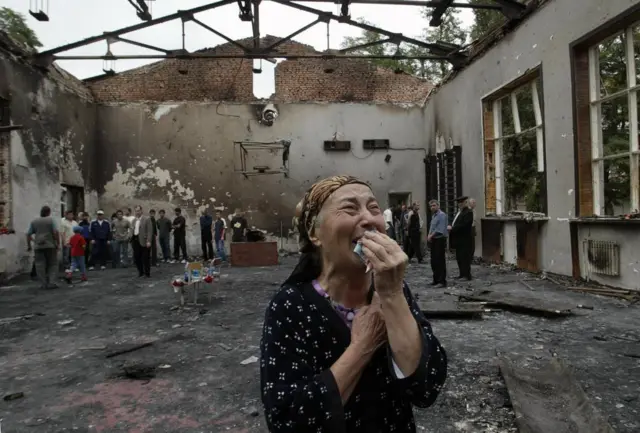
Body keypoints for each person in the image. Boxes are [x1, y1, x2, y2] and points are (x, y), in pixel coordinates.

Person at [260, 175, 447, 433]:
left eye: (373, 208)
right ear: (315, 233)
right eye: (350, 208)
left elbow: (426, 389)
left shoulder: (393, 287)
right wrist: (362, 346)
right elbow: (287, 420)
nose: (369, 219)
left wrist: (392, 294)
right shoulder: (291, 304)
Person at [27, 205, 60, 290]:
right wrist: (57, 243)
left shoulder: (34, 222)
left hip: (38, 246)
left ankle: (43, 284)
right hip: (50, 245)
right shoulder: (51, 220)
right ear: (49, 212)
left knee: (39, 265)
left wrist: (30, 244)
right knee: (53, 264)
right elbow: (55, 232)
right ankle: (52, 282)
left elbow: (28, 234)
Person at [448, 196, 474, 280]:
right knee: (459, 257)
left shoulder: (468, 212)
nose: (460, 204)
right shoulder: (459, 212)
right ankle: (462, 274)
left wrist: (453, 228)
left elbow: (465, 225)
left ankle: (466, 275)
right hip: (458, 238)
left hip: (465, 238)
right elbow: (455, 222)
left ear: (465, 203)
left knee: (465, 257)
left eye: (461, 202)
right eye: (459, 203)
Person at [427, 200, 448, 287]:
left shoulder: (442, 215)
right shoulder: (434, 216)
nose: (432, 207)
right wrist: (429, 235)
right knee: (434, 261)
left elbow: (440, 229)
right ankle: (435, 279)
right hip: (434, 240)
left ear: (438, 206)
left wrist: (431, 235)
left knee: (439, 261)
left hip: (439, 240)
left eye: (434, 205)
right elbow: (432, 227)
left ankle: (441, 281)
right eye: (431, 206)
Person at [132, 205, 154, 278]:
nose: (137, 212)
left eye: (138, 210)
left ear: (141, 211)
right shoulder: (134, 220)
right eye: (136, 211)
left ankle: (147, 274)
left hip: (144, 241)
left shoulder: (147, 219)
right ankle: (140, 272)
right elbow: (133, 230)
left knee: (145, 258)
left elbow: (150, 231)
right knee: (137, 257)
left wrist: (148, 241)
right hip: (135, 240)